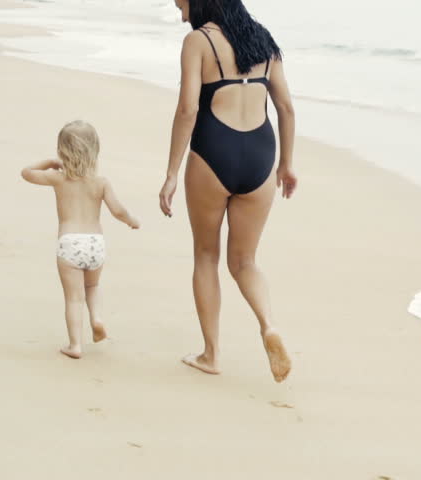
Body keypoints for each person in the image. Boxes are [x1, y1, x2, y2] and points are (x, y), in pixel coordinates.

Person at [159, 0, 298, 382]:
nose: (178, 8)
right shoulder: (264, 40)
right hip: (260, 156)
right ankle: (268, 324)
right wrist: (286, 164)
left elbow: (188, 109)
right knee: (245, 261)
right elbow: (285, 107)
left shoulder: (198, 42)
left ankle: (211, 355)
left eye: (180, 2)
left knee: (206, 255)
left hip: (213, 152)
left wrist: (171, 173)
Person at [22, 120, 140, 359]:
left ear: (61, 151)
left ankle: (75, 345)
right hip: (95, 244)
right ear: (95, 151)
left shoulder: (58, 178)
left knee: (74, 298)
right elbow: (117, 210)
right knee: (92, 286)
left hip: (69, 244)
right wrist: (131, 220)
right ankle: (96, 318)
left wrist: (50, 162)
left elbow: (27, 173)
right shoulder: (100, 182)